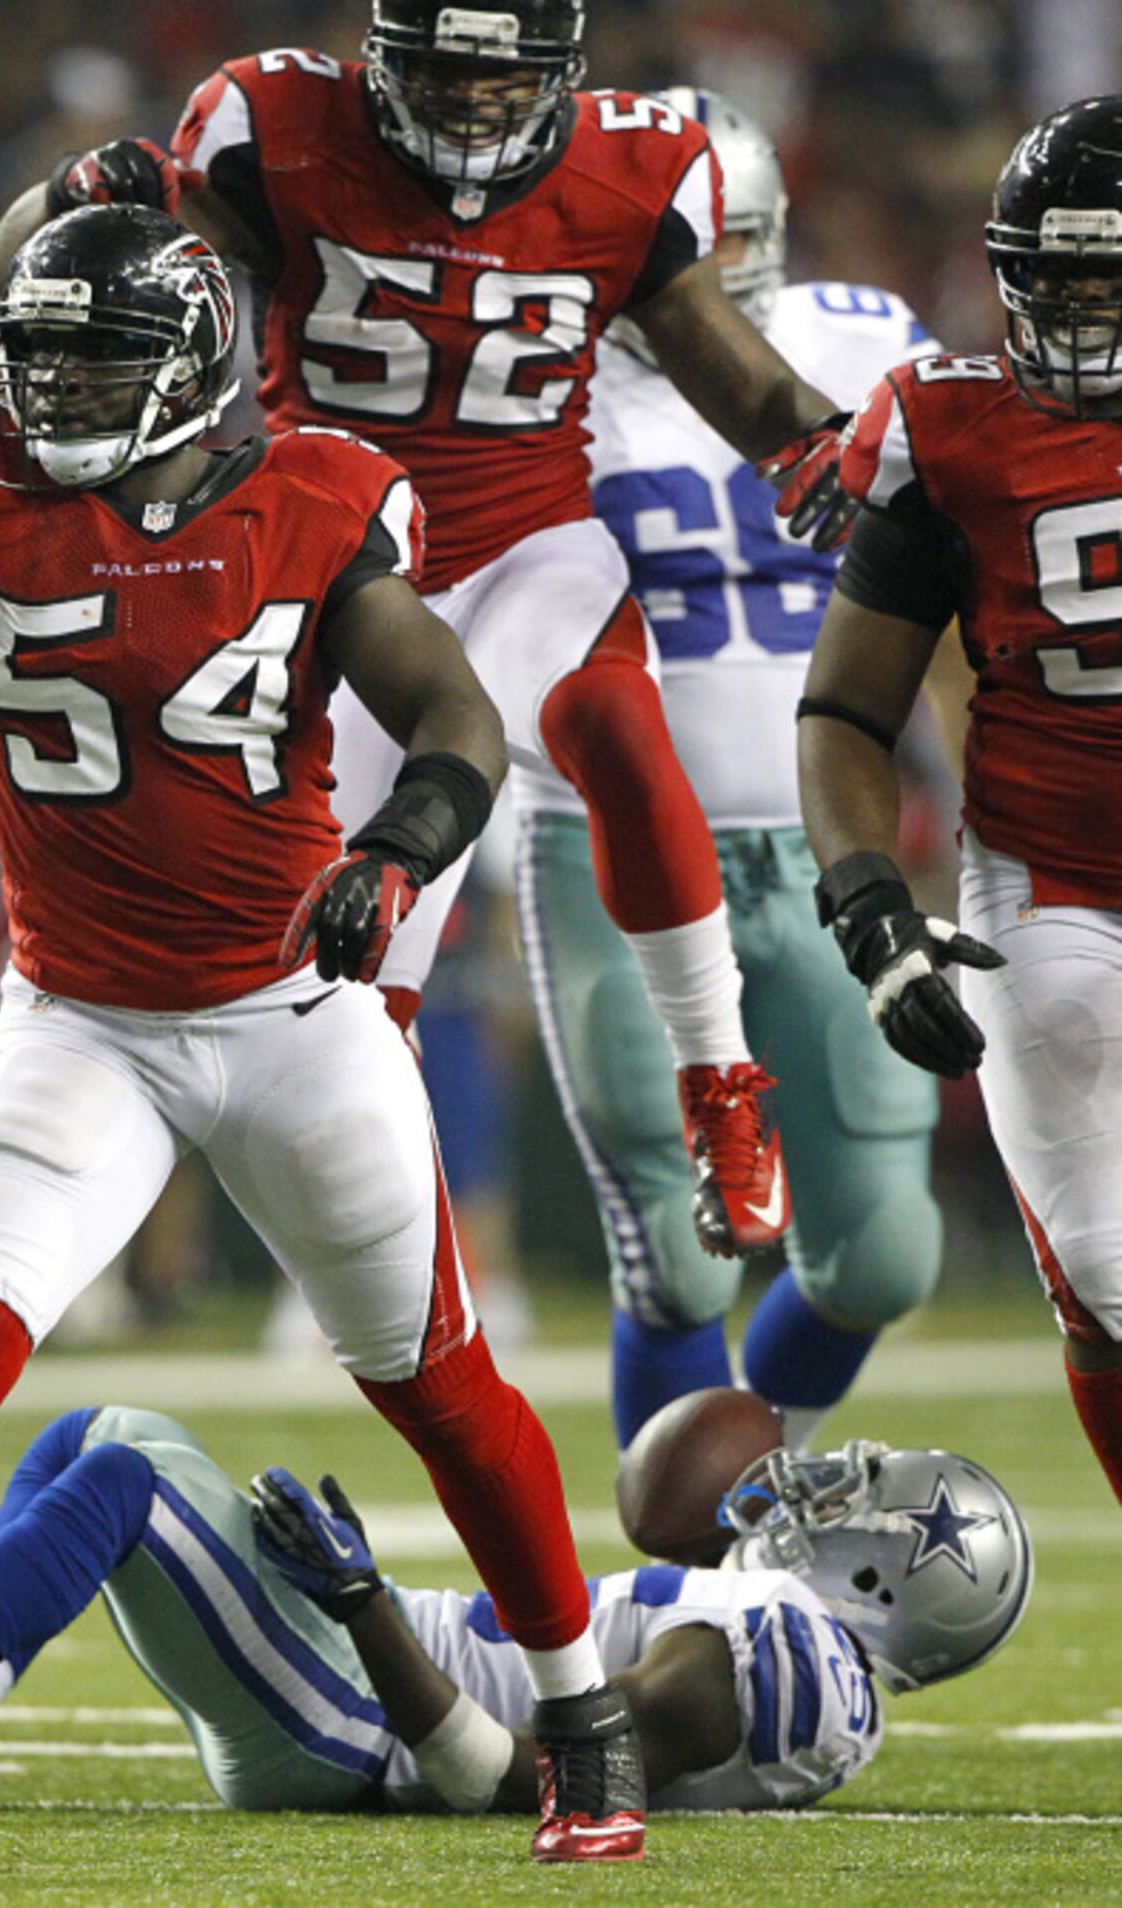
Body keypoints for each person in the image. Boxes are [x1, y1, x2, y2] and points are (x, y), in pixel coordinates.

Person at [0, 151, 646, 1879]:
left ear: (198, 364)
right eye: (34, 361)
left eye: (97, 366)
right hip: (80, 1019)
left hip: (289, 1010)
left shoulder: (310, 494)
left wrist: (400, 851)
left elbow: (454, 712)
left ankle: (583, 1716)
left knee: (433, 1380)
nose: (51, 399)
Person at [0, 0, 863, 1262]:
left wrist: (817, 442)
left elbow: (731, 367)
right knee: (353, 950)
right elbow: (36, 271)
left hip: (524, 544)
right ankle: (381, 1238)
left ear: (561, 74)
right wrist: (61, 193)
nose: (469, 106)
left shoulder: (632, 162)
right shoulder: (270, 125)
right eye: (443, 73)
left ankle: (719, 1081)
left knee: (611, 715)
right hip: (330, 563)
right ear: (379, 61)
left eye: (499, 80)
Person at [515, 89, 946, 1454]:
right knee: (677, 1238)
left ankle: (742, 1486)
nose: (691, 273)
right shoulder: (529, 375)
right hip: (616, 849)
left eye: (722, 239)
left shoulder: (861, 340)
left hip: (829, 850)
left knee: (881, 1255)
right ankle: (684, 1575)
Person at [0, 1404, 1032, 1824]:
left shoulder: (788, 1653)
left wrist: (368, 1609)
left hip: (362, 1727)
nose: (818, 1486)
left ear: (889, 1571)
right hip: (363, 1684)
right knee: (102, 1429)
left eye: (863, 1495)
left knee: (132, 1477)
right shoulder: (795, 1653)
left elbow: (536, 1788)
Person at [795, 96, 1122, 1508]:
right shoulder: (951, 426)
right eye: (1055, 286)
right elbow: (846, 711)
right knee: (1107, 1274)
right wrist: (875, 912)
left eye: (1110, 286)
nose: (1080, 319)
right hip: (1056, 888)